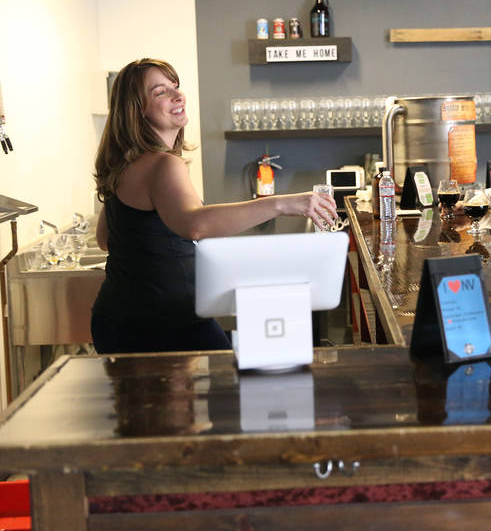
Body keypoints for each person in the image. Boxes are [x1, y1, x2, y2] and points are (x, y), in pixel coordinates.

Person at [90, 58, 338, 354]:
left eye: (175, 87)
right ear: (136, 110)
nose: (177, 95)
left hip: (120, 319)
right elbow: (196, 224)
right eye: (160, 92)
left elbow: (106, 239)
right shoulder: (163, 165)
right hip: (161, 324)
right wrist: (283, 204)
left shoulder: (124, 166)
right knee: (227, 392)